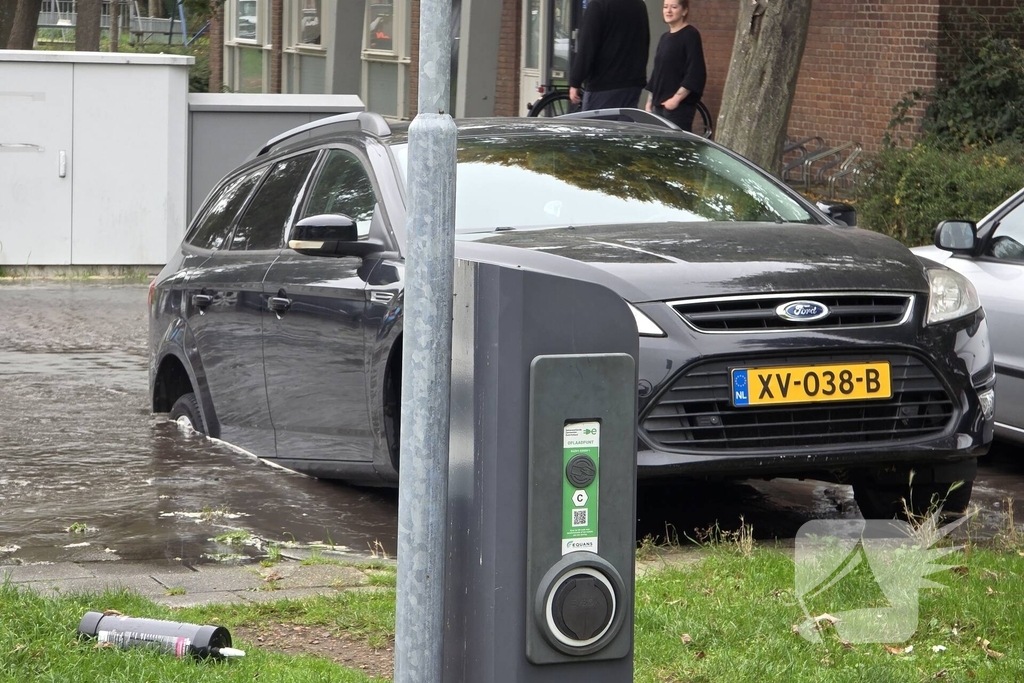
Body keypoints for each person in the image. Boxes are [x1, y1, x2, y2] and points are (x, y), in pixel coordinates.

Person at [569, 0, 650, 111]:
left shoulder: (598, 5)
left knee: (596, 126)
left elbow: (587, 47)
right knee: (625, 126)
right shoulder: (639, 5)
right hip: (632, 83)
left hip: (603, 83)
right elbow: (644, 41)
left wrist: (575, 82)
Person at [645, 0, 707, 132]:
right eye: (665, 7)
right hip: (659, 106)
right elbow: (658, 72)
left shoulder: (690, 35)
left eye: (674, 7)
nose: (668, 11)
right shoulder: (664, 37)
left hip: (677, 108)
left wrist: (676, 99)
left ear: (684, 11)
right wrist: (649, 101)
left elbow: (695, 71)